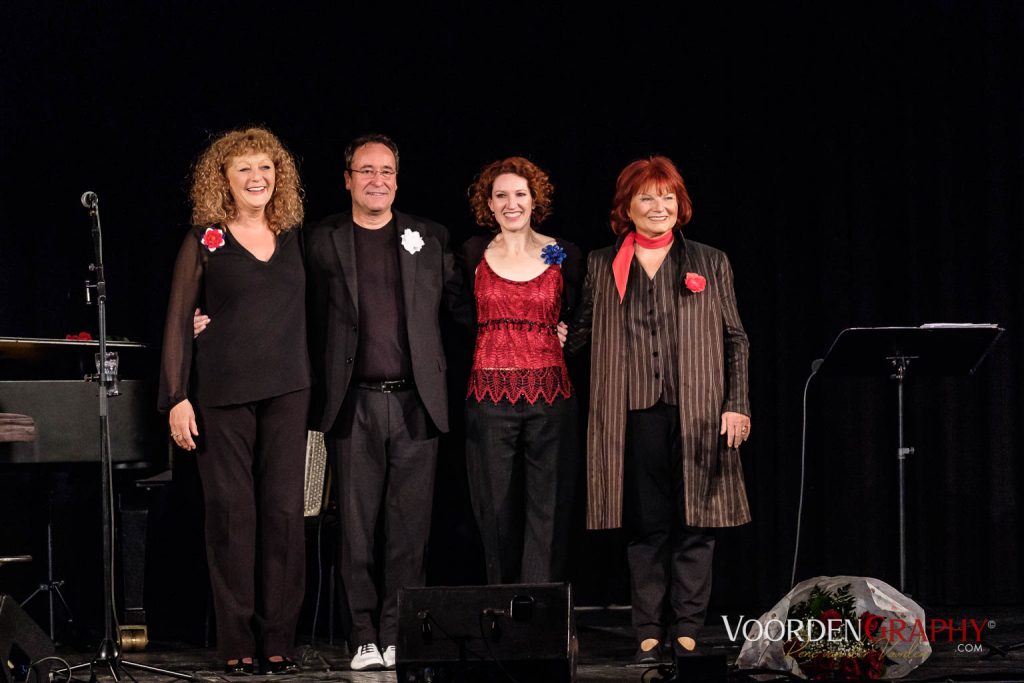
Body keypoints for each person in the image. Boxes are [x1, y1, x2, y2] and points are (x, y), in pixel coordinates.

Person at [566, 155, 751, 665]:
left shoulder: (710, 261)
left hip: (698, 409)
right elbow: (579, 332)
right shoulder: (604, 264)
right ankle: (647, 625)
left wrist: (736, 405)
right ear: (627, 205)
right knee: (646, 524)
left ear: (680, 203)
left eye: (667, 196)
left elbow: (736, 338)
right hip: (634, 411)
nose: (658, 206)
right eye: (647, 196)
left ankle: (689, 624)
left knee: (697, 520)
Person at [303, 134, 469, 672]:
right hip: (353, 404)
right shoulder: (322, 240)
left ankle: (399, 631)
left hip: (418, 403)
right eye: (366, 170)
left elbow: (466, 308)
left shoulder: (430, 236)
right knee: (355, 529)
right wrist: (213, 320)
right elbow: (284, 303)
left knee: (409, 531)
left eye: (388, 171)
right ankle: (362, 636)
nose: (378, 180)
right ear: (347, 178)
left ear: (398, 178)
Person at [159, 127, 310, 675]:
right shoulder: (206, 237)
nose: (256, 178)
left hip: (289, 391)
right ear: (223, 178)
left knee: (285, 516)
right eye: (243, 168)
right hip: (221, 394)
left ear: (279, 175)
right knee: (231, 516)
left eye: (266, 167)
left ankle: (278, 639)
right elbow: (179, 319)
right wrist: (177, 396)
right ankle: (236, 641)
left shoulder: (295, 236)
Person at [460, 157, 582, 585]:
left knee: (547, 508)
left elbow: (586, 313)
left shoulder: (561, 253)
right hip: (489, 399)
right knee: (494, 509)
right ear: (489, 205)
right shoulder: (473, 252)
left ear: (535, 200)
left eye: (520, 194)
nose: (511, 203)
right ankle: (502, 611)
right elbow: (457, 314)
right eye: (501, 196)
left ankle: (542, 618)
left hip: (551, 399)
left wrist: (571, 334)